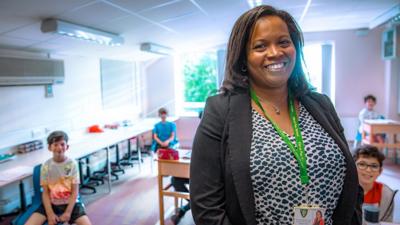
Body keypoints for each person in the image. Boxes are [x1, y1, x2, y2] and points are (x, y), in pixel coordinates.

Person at [190, 5, 362, 225]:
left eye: (283, 42)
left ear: (295, 48)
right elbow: (206, 207)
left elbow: (350, 183)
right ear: (243, 57)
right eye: (260, 46)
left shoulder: (321, 104)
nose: (275, 52)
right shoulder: (220, 110)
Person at [25, 131, 92, 225]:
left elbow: (75, 192)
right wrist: (50, 214)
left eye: (62, 144)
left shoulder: (72, 164)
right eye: (55, 144)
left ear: (67, 147)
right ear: (49, 147)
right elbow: (45, 193)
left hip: (71, 205)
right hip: (51, 204)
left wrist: (68, 212)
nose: (59, 147)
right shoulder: (46, 166)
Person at [353, 145, 397, 223]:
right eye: (362, 164)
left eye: (374, 166)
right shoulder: (345, 191)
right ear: (353, 167)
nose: (368, 170)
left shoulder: (387, 194)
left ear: (380, 171)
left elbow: (386, 222)